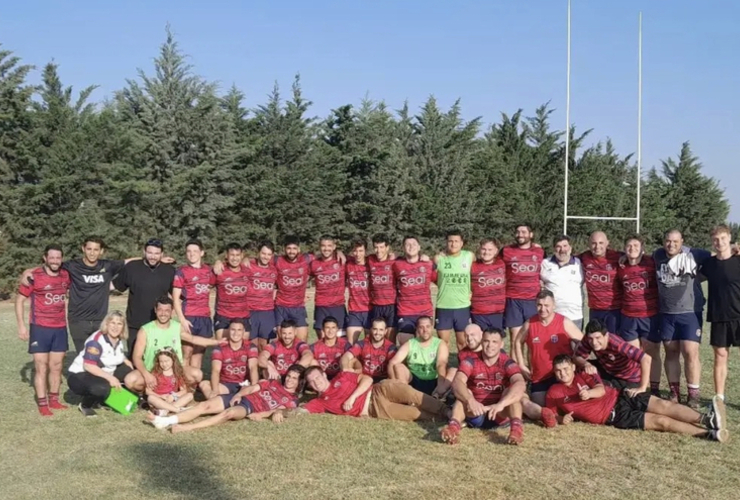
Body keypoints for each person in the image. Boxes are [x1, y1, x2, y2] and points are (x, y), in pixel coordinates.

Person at [544, 355, 728, 442]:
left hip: (621, 395)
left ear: (573, 368)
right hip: (614, 416)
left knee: (663, 404)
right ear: (554, 372)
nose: (563, 373)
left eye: (566, 369)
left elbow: (600, 389)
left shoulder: (584, 374)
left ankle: (707, 419)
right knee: (661, 421)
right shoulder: (554, 392)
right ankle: (708, 434)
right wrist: (562, 419)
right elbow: (550, 415)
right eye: (559, 371)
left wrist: (588, 394)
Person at [22, 236, 131, 352]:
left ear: (101, 251)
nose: (92, 253)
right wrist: (27, 271)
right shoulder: (72, 266)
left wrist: (147, 257)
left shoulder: (108, 265)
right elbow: (52, 265)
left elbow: (130, 262)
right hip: (78, 321)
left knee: (101, 356)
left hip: (101, 320)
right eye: (89, 249)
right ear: (83, 249)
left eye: (96, 250)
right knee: (84, 356)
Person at [147, 364, 305, 433]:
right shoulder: (273, 383)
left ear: (299, 382)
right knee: (205, 406)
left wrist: (262, 415)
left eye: (294, 378)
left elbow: (279, 410)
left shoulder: (292, 399)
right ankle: (165, 421)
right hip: (242, 397)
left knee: (227, 414)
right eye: (289, 376)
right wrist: (238, 394)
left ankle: (185, 428)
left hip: (248, 408)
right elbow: (252, 388)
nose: (290, 380)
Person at [653, 230, 710, 408]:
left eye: (675, 241)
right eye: (668, 241)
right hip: (666, 313)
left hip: (689, 312)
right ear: (664, 241)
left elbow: (715, 260)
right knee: (671, 352)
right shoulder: (657, 255)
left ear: (682, 242)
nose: (671, 245)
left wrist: (733, 251)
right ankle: (674, 392)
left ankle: (693, 394)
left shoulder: (694, 254)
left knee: (690, 351)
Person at [440, 328, 526, 445]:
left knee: (511, 393)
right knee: (465, 394)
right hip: (475, 412)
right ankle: (453, 428)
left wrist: (501, 404)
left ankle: (516, 431)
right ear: (481, 342)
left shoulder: (507, 362)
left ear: (501, 344)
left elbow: (520, 383)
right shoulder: (470, 361)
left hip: (499, 413)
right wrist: (470, 400)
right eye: (486, 341)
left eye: (494, 342)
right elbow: (457, 382)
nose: (490, 345)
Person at [16, 244, 71, 416]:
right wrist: (21, 325)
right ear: (45, 258)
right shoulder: (34, 276)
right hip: (40, 328)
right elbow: (19, 300)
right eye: (52, 257)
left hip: (60, 327)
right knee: (41, 366)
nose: (55, 261)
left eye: (58, 257)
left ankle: (54, 399)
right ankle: (42, 403)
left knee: (56, 366)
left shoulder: (66, 275)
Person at [513, 290, 581, 426]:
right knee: (540, 407)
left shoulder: (564, 322)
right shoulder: (530, 324)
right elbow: (517, 341)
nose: (542, 309)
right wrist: (521, 364)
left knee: (571, 405)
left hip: (562, 376)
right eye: (539, 305)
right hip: (540, 377)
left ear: (554, 305)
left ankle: (561, 414)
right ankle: (554, 416)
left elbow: (582, 341)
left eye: (546, 305)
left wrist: (576, 361)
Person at [126, 296, 220, 394]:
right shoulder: (145, 330)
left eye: (167, 310)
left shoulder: (177, 327)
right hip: (152, 371)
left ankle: (178, 393)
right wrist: (147, 375)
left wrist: (217, 342)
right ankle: (147, 393)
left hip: (175, 372)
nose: (163, 314)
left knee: (197, 374)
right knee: (130, 380)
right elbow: (136, 357)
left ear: (172, 311)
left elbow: (193, 339)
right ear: (155, 310)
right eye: (160, 310)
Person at [286, 366, 449, 422]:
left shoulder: (342, 376)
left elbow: (367, 380)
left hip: (378, 389)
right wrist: (279, 412)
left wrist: (352, 397)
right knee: (414, 414)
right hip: (374, 410)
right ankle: (447, 417)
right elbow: (301, 411)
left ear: (323, 375)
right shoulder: (321, 401)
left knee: (410, 393)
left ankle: (446, 410)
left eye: (317, 377)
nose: (316, 382)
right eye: (312, 382)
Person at [67, 310, 138, 417]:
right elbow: (89, 365)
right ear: (106, 324)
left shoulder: (118, 340)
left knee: (128, 371)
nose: (115, 327)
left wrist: (126, 361)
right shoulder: (96, 340)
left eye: (119, 324)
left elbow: (116, 354)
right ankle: (86, 405)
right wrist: (111, 379)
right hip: (80, 375)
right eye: (112, 323)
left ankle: (104, 400)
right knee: (102, 388)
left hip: (100, 372)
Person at [113, 238, 176, 353]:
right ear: (144, 252)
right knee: (135, 358)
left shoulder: (169, 271)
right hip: (135, 324)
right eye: (150, 253)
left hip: (159, 323)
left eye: (157, 253)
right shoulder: (132, 268)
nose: (153, 256)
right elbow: (115, 286)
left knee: (159, 359)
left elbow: (177, 296)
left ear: (162, 254)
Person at [700, 225, 740, 402]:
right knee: (720, 356)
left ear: (730, 238)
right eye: (716, 239)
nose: (720, 242)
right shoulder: (709, 264)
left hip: (739, 316)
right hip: (718, 317)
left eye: (723, 238)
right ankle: (719, 397)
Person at [618, 235, 661, 396]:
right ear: (624, 248)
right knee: (633, 355)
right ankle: (636, 385)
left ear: (642, 248)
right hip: (628, 317)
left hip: (649, 316)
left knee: (652, 353)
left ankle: (654, 388)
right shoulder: (620, 265)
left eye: (636, 245)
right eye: (629, 246)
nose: (632, 249)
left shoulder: (652, 262)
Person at [574, 319, 651, 392]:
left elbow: (646, 358)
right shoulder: (588, 339)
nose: (594, 342)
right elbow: (576, 357)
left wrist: (642, 387)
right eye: (590, 338)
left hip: (628, 377)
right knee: (577, 368)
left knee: (619, 396)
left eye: (598, 338)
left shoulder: (617, 344)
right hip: (608, 369)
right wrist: (586, 364)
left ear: (606, 335)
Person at [172, 238, 215, 369]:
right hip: (189, 316)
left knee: (198, 355)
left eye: (195, 251)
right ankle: (183, 384)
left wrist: (219, 261)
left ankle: (193, 385)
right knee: (187, 353)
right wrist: (182, 319)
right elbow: (175, 298)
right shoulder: (181, 271)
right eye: (189, 251)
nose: (192, 254)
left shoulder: (209, 271)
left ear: (202, 253)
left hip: (205, 318)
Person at [501, 224, 546, 348]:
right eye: (518, 232)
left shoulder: (540, 251)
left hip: (533, 300)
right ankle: (514, 367)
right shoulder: (506, 251)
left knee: (533, 340)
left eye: (524, 232)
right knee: (515, 339)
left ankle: (533, 368)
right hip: (513, 300)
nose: (520, 234)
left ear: (531, 235)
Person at [387, 316, 453, 397]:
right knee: (398, 366)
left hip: (435, 380)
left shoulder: (440, 343)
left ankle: (439, 394)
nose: (425, 330)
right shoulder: (410, 343)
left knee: (453, 371)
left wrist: (440, 385)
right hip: (414, 380)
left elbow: (441, 364)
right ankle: (405, 394)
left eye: (428, 326)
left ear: (432, 327)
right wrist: (394, 383)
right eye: (421, 327)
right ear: (417, 329)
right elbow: (392, 362)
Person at [434, 229, 475, 350]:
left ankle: (463, 368)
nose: (453, 244)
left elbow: (478, 273)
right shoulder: (438, 258)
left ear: (462, 243)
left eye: (456, 241)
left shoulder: (469, 256)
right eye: (450, 241)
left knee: (463, 342)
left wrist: (472, 291)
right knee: (443, 343)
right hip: (443, 306)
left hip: (462, 306)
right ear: (446, 242)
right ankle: (443, 368)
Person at [198, 320, 259, 400]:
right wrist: (215, 391)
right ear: (228, 330)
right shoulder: (219, 348)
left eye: (239, 330)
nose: (236, 333)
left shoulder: (251, 346)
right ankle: (217, 400)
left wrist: (253, 387)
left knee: (260, 384)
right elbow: (215, 371)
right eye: (233, 329)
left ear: (244, 331)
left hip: (244, 384)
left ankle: (222, 402)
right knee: (204, 384)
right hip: (225, 385)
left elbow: (253, 368)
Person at [579, 231, 623, 335]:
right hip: (595, 309)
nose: (597, 246)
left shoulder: (618, 257)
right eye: (594, 243)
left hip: (614, 310)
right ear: (589, 244)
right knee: (596, 341)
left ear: (607, 243)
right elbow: (566, 258)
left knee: (613, 342)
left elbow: (635, 257)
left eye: (601, 243)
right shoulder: (584, 257)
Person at [394, 236, 435, 344]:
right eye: (407, 244)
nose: (411, 247)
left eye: (414, 244)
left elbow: (441, 280)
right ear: (403, 248)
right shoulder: (396, 264)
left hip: (425, 311)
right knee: (406, 342)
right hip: (405, 311)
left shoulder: (428, 264)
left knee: (425, 343)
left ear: (419, 247)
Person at [273, 236, 314, 342]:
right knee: (281, 339)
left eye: (294, 248)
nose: (291, 251)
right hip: (281, 306)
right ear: (284, 249)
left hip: (298, 306)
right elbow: (259, 260)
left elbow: (325, 257)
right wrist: (245, 258)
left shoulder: (306, 259)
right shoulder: (277, 260)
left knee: (302, 339)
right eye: (289, 248)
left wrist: (339, 253)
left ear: (299, 249)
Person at [540, 235, 585, 329]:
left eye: (565, 246)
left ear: (570, 248)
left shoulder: (580, 264)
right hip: (551, 315)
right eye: (558, 246)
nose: (562, 249)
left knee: (575, 343)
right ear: (554, 249)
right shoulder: (545, 263)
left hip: (574, 316)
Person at [244, 240, 279, 350]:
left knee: (264, 344)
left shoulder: (274, 269)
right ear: (258, 253)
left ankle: (263, 367)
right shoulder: (248, 265)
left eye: (269, 254)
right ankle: (253, 366)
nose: (266, 257)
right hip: (250, 310)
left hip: (267, 311)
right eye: (263, 253)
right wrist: (218, 262)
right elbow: (232, 263)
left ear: (272, 255)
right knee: (252, 344)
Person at [310, 235, 347, 337]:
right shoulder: (314, 264)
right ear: (319, 246)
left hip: (338, 306)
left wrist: (340, 252)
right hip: (321, 306)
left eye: (329, 246)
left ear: (334, 246)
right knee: (322, 338)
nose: (326, 248)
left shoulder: (342, 261)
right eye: (323, 246)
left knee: (341, 340)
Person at [213, 243, 251, 341]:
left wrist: (247, 259)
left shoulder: (247, 270)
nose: (235, 258)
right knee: (222, 348)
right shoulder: (219, 270)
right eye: (232, 255)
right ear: (226, 255)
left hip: (243, 316)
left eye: (237, 255)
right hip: (223, 316)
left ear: (242, 255)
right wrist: (217, 261)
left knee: (242, 350)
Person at [341, 318, 397, 382]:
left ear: (385, 331)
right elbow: (346, 356)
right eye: (375, 329)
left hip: (383, 380)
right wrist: (345, 368)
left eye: (381, 330)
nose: (377, 333)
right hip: (364, 378)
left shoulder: (390, 347)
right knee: (351, 361)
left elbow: (395, 365)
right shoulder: (363, 343)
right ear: (371, 330)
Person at [470, 238, 506, 332]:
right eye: (484, 249)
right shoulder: (472, 266)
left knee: (495, 342)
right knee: (481, 342)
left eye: (490, 250)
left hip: (498, 312)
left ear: (496, 251)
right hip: (478, 312)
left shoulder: (502, 263)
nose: (486, 252)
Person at [368, 233, 398, 342]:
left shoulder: (394, 261)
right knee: (376, 338)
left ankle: (390, 358)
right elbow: (355, 257)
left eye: (381, 247)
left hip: (391, 306)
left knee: (390, 340)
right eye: (376, 247)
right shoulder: (370, 260)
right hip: (376, 305)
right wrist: (338, 252)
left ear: (387, 247)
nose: (378, 250)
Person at [145, 349, 194, 414]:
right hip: (160, 400)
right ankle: (177, 410)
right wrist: (160, 396)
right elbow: (147, 391)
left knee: (190, 395)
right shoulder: (155, 373)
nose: (164, 364)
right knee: (151, 398)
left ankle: (165, 410)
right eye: (161, 362)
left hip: (173, 399)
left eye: (167, 361)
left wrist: (173, 396)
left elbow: (184, 390)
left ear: (173, 360)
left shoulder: (177, 373)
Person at [345, 239, 371, 344]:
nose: (358, 254)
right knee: (350, 345)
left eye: (361, 251)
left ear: (365, 251)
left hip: (370, 310)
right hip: (354, 310)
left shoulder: (371, 264)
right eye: (355, 251)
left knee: (370, 346)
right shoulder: (348, 265)